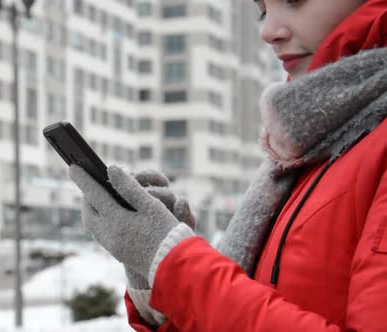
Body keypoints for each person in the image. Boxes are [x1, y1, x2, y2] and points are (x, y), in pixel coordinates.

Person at [69, 0, 387, 330]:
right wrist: (153, 276)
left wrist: (175, 265)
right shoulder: (308, 150)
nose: (268, 31)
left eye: (294, 0)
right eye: (263, 10)